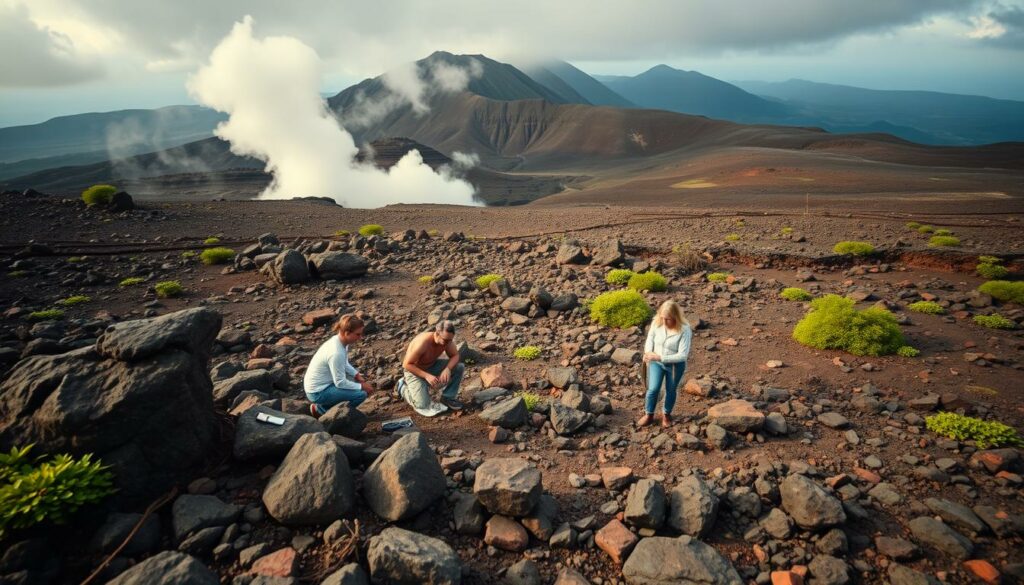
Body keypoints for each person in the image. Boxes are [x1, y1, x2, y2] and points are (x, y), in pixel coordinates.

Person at [304, 314, 375, 417]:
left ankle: (326, 407)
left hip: (323, 384)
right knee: (360, 395)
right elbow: (340, 383)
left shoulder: (339, 341)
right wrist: (361, 386)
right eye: (358, 334)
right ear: (347, 333)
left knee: (355, 381)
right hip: (318, 392)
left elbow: (344, 363)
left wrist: (356, 375)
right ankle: (323, 411)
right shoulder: (336, 352)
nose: (360, 338)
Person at [639, 300, 693, 428]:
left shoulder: (684, 329)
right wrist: (648, 353)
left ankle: (666, 414)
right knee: (652, 389)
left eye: (668, 319)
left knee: (671, 390)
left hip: (675, 366)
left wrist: (659, 357)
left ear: (675, 317)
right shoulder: (657, 322)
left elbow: (683, 355)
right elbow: (650, 339)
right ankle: (649, 414)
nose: (664, 322)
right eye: (662, 318)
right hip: (656, 363)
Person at [397, 320, 465, 416]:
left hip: (431, 366)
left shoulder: (447, 341)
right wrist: (426, 376)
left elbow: (455, 356)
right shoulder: (422, 343)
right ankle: (402, 387)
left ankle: (447, 397)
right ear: (437, 333)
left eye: (450, 340)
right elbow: (407, 365)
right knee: (422, 405)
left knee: (459, 367)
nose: (448, 343)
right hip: (414, 372)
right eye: (445, 340)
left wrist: (448, 369)